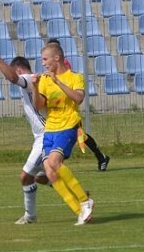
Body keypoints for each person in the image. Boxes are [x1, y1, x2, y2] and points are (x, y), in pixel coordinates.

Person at [0, 43, 50, 224]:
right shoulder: (33, 81)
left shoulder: (28, 78)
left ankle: (30, 216)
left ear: (19, 69)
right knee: (41, 177)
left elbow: (12, 78)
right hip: (42, 136)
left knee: (25, 176)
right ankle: (80, 196)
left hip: (45, 136)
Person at [31, 42, 95, 226]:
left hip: (69, 126)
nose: (43, 63)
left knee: (54, 162)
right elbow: (38, 106)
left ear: (56, 58)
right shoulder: (43, 80)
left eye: (45, 59)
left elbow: (79, 98)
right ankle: (80, 211)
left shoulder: (75, 77)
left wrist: (58, 82)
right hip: (50, 129)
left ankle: (84, 200)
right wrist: (35, 88)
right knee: (50, 173)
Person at [45, 38, 110, 172]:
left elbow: (68, 81)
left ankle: (100, 157)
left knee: (80, 135)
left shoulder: (64, 65)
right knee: (82, 136)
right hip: (56, 111)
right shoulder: (49, 64)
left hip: (68, 108)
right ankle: (101, 157)